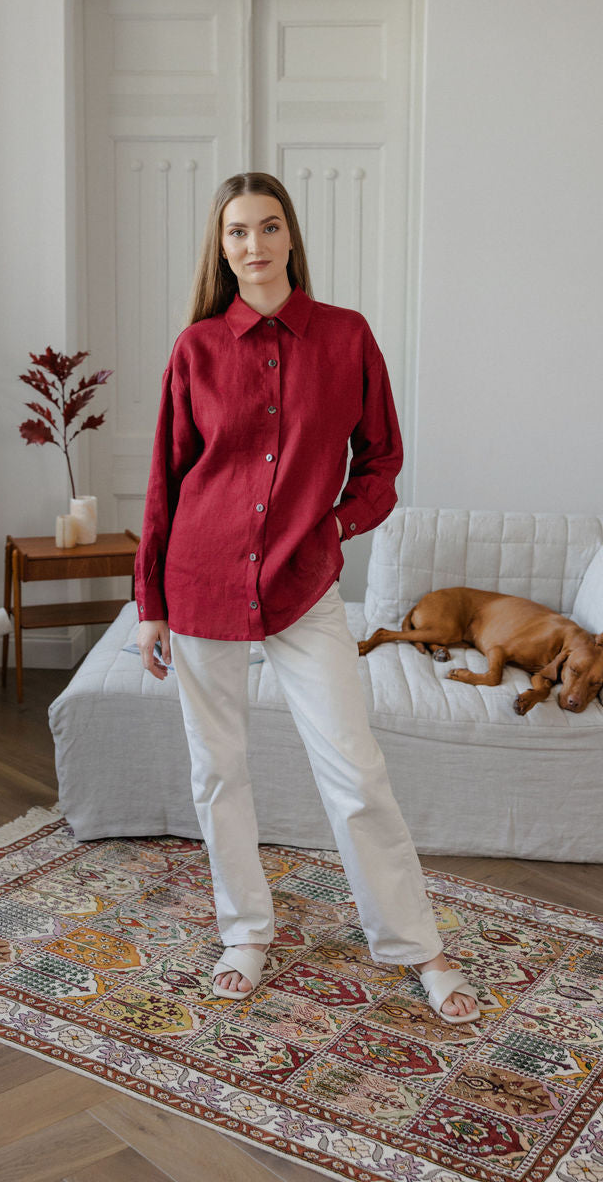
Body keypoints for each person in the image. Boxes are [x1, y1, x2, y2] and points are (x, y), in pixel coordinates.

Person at [135, 171, 478, 1023]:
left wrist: (328, 531)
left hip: (302, 586)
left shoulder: (347, 337)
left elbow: (383, 461)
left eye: (269, 227)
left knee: (355, 771)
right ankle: (244, 933)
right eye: (237, 232)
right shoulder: (195, 350)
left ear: (292, 238)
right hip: (201, 580)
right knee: (219, 772)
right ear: (222, 249)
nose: (254, 245)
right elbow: (166, 484)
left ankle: (414, 944)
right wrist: (151, 601)